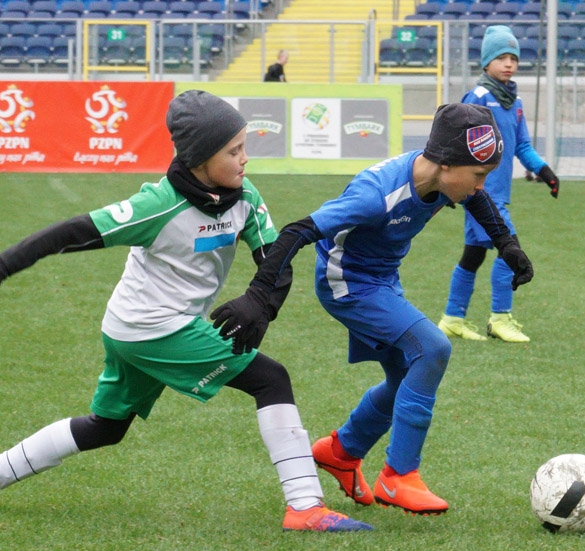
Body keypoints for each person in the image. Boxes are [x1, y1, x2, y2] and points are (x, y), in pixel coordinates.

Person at [0, 90, 371, 533]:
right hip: (150, 328)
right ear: (200, 159)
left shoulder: (244, 195)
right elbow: (72, 232)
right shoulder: (158, 204)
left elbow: (274, 260)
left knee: (105, 428)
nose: (245, 159)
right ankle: (305, 506)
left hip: (135, 329)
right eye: (233, 151)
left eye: (244, 147)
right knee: (271, 379)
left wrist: (261, 305)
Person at [210, 102, 533, 515]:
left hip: (382, 279)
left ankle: (341, 452)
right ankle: (399, 477)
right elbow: (297, 231)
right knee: (433, 348)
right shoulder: (376, 196)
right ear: (448, 165)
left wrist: (507, 244)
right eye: (478, 176)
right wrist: (258, 296)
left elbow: (478, 201)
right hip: (346, 282)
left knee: (404, 378)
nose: (480, 186)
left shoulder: (441, 179)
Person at [437, 25, 558, 343]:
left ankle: (452, 319)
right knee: (510, 250)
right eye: (501, 57)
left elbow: (522, 146)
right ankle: (500, 318)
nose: (508, 64)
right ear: (486, 62)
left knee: (473, 255)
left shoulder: (514, 102)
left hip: (499, 195)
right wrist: (448, 182)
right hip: (479, 194)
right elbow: (454, 139)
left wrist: (544, 172)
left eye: (513, 58)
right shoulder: (477, 97)